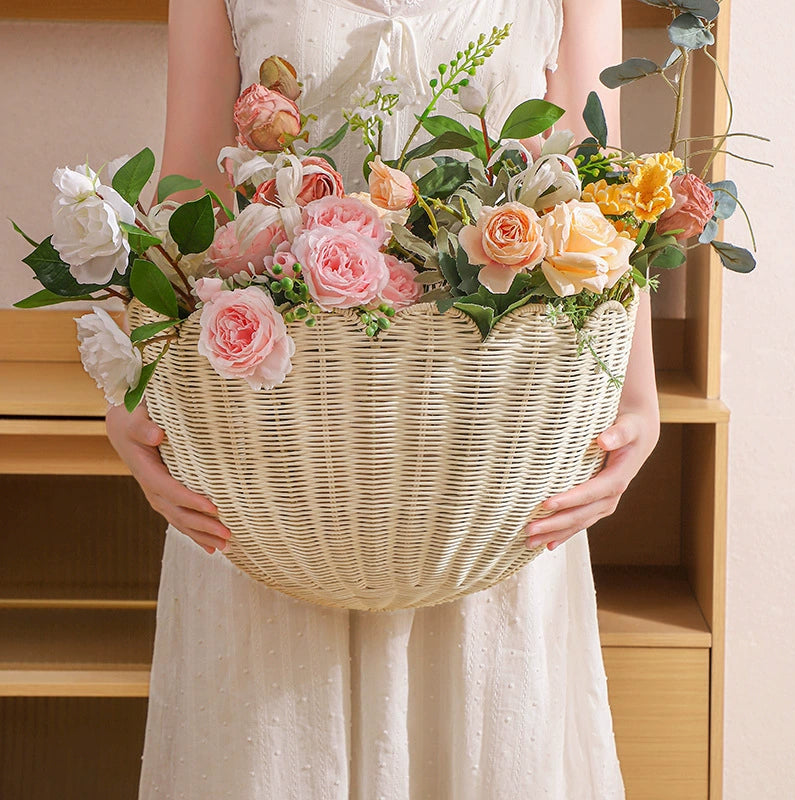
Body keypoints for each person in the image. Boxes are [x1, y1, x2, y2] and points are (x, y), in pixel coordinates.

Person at [109, 1, 660, 797]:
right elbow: (188, 189)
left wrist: (635, 397)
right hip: (273, 460)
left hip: (490, 463)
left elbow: (599, 197)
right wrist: (136, 385)